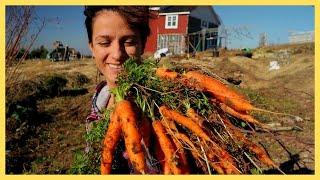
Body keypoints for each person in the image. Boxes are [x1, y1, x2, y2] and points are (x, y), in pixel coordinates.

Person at [83, 6, 152, 173]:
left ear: (142, 45)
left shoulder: (159, 106)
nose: (117, 54)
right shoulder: (100, 96)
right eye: (104, 42)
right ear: (92, 47)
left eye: (129, 42)